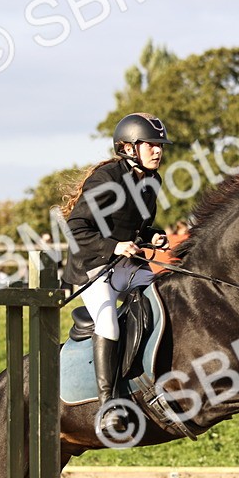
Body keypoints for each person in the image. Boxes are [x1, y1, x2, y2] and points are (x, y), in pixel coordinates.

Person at [63, 111, 172, 435]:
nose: (158, 151)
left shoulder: (152, 181)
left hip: (126, 263)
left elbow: (136, 226)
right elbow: (76, 227)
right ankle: (108, 404)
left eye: (160, 145)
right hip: (93, 264)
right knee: (108, 321)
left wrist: (152, 235)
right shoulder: (106, 179)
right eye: (150, 145)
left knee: (164, 300)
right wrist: (113, 246)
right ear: (128, 147)